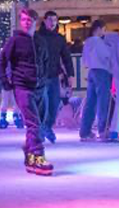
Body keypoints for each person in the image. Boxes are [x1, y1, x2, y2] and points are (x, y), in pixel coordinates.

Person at [0, 8, 53, 176]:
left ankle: (29, 152)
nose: (26, 23)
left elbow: (45, 62)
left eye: (29, 20)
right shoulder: (14, 40)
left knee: (39, 123)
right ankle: (38, 156)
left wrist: (44, 80)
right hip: (22, 87)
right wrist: (5, 82)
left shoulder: (41, 41)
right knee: (33, 123)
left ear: (35, 22)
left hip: (40, 88)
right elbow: (1, 60)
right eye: (23, 20)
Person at [37, 11, 74, 143]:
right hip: (40, 77)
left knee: (54, 104)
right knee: (42, 105)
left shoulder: (59, 38)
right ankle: (40, 130)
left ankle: (47, 126)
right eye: (50, 20)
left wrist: (70, 74)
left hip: (53, 76)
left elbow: (66, 57)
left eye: (55, 20)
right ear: (44, 20)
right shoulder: (37, 37)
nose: (53, 23)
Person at [79, 20, 113, 141]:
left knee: (90, 102)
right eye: (104, 29)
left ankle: (85, 131)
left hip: (92, 72)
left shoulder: (87, 42)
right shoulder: (99, 42)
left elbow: (84, 60)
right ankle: (102, 129)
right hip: (102, 72)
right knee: (102, 102)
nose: (104, 32)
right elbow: (108, 55)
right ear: (99, 28)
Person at [0, 47, 24, 129]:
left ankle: (14, 116)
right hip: (9, 80)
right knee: (7, 99)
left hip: (13, 80)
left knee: (13, 99)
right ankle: (5, 117)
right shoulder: (4, 54)